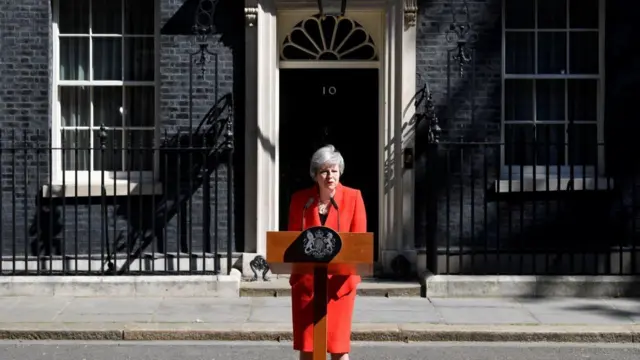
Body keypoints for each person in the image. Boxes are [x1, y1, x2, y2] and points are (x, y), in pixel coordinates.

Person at [287, 144, 367, 360]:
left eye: (334, 170)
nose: (329, 176)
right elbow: (290, 242)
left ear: (340, 172)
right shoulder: (301, 201)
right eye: (324, 171)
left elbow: (360, 243)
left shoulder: (353, 197)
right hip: (307, 284)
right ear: (315, 175)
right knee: (308, 347)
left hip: (339, 285)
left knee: (339, 348)